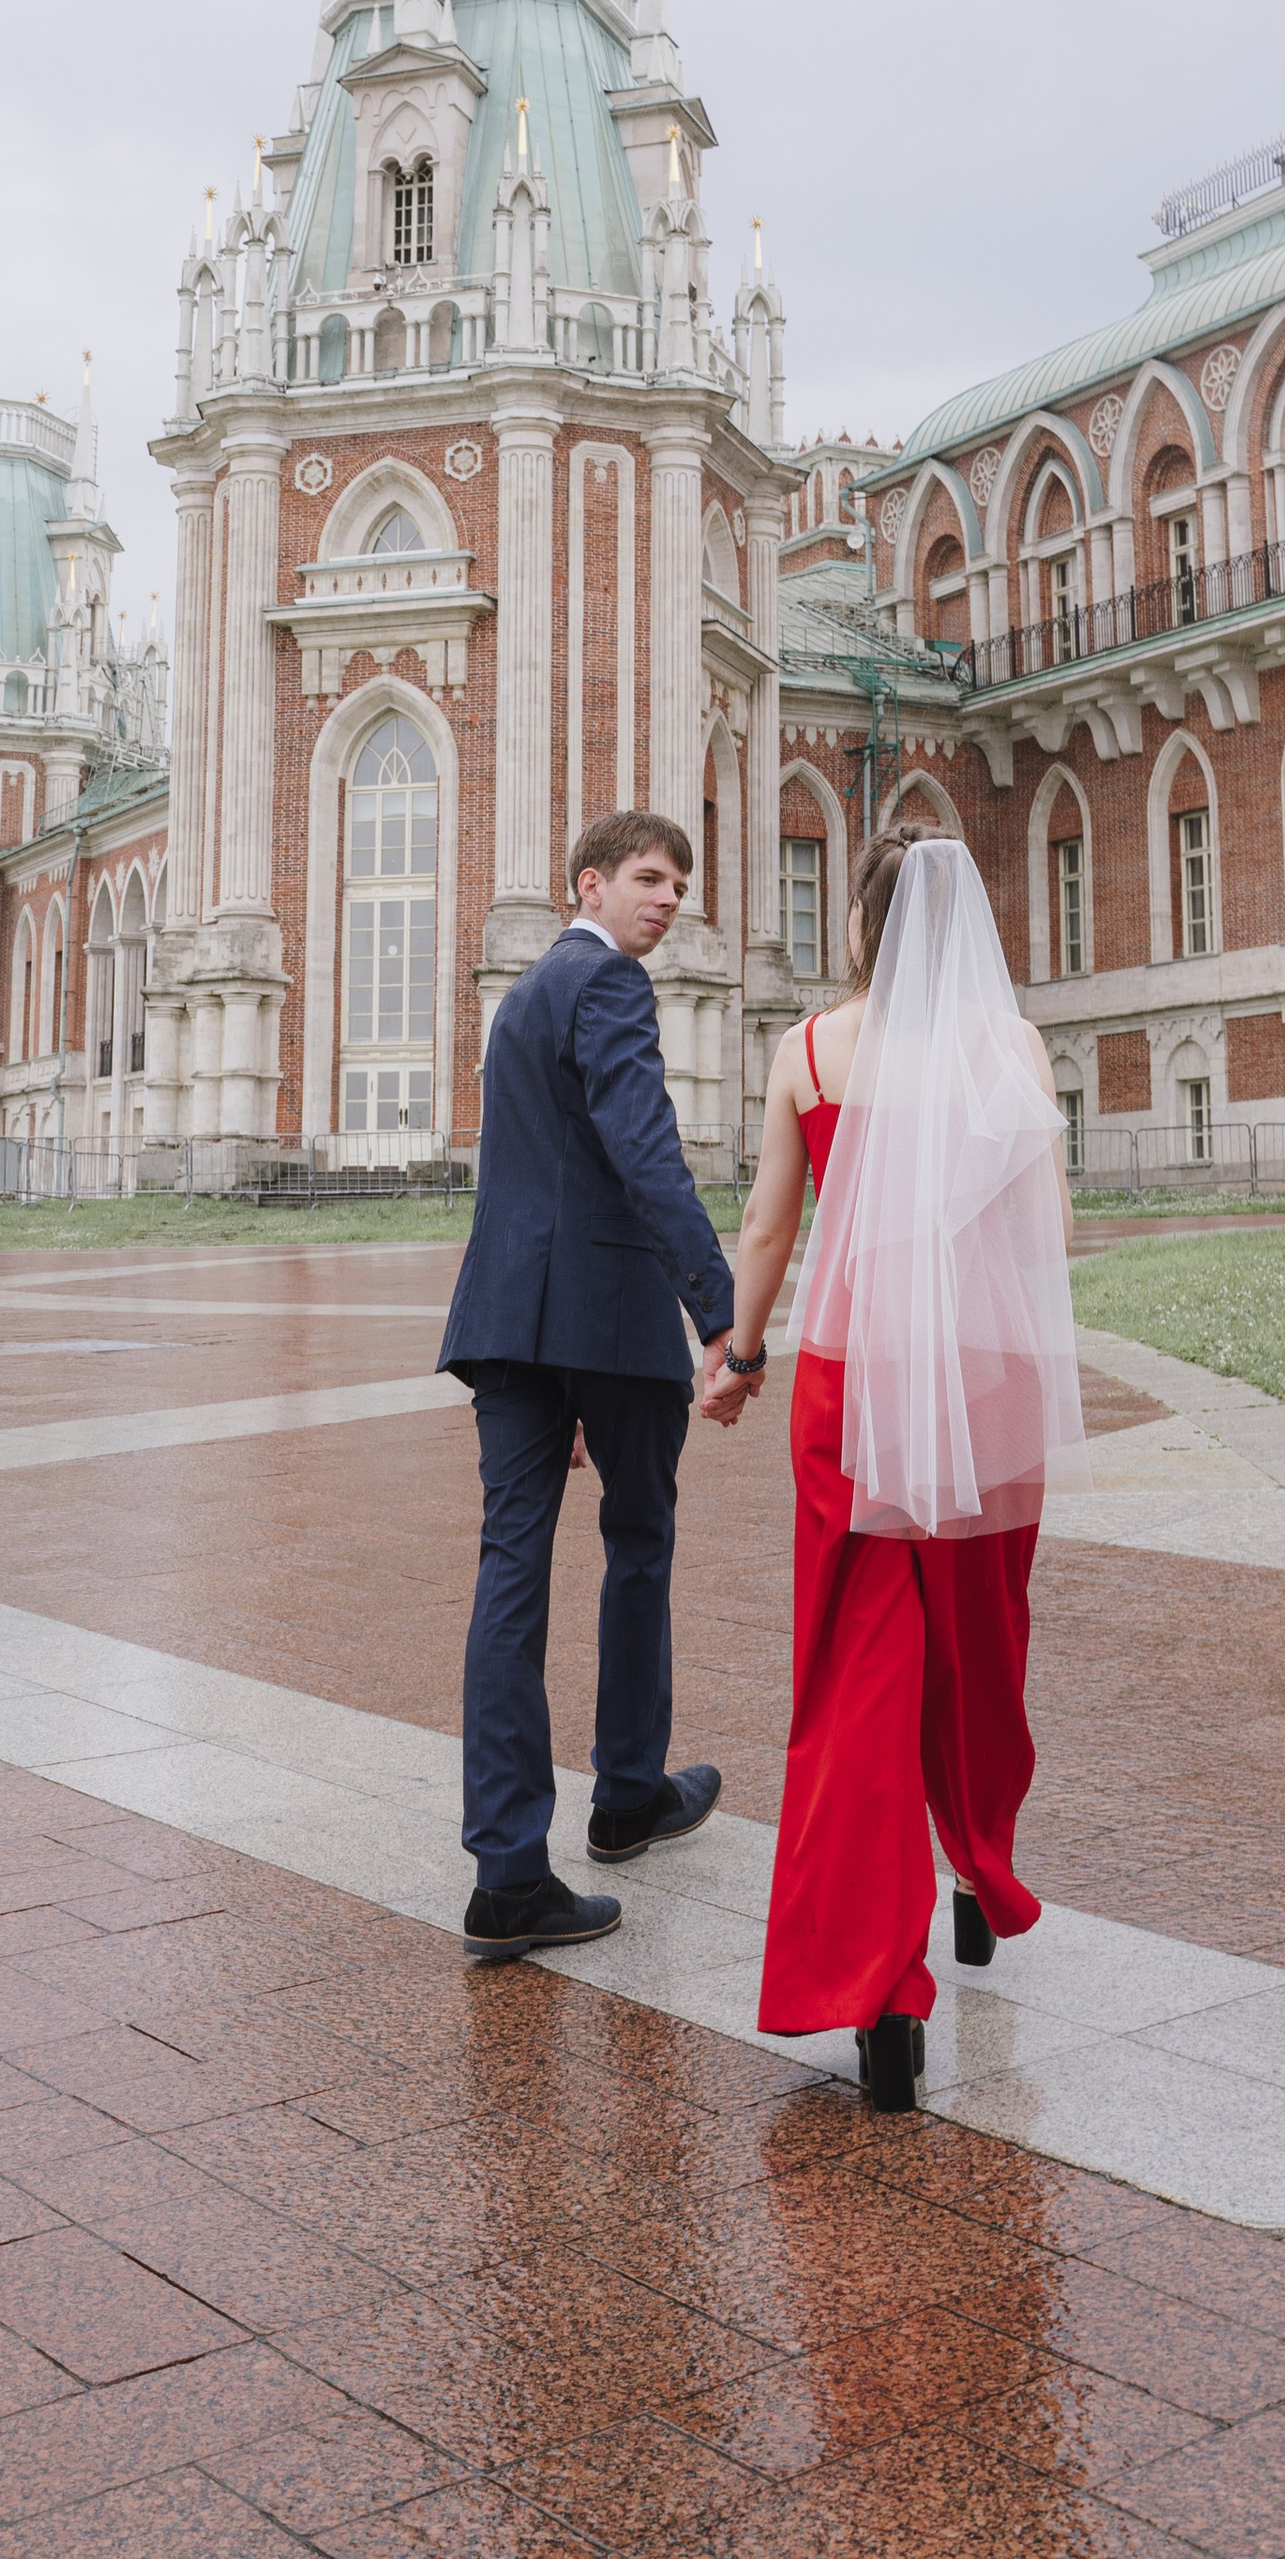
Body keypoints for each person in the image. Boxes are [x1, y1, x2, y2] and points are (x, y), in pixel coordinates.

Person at [702, 832, 1088, 2111]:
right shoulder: (1015, 1050)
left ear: (862, 929)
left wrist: (739, 1352)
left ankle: (876, 1998)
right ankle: (979, 1869)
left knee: (857, 1668)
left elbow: (768, 1223)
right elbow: (1057, 1229)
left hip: (853, 1382)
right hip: (981, 1382)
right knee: (983, 1640)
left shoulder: (810, 1050)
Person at [438, 809, 740, 1965]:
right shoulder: (608, 987)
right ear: (591, 884)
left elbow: (522, 1165)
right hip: (606, 1323)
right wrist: (717, 1310)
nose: (666, 900)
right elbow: (643, 1148)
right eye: (649, 880)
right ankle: (623, 1796)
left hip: (510, 1319)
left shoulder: (520, 997)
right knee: (639, 1541)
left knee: (510, 1567)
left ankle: (508, 1873)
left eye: (678, 885)